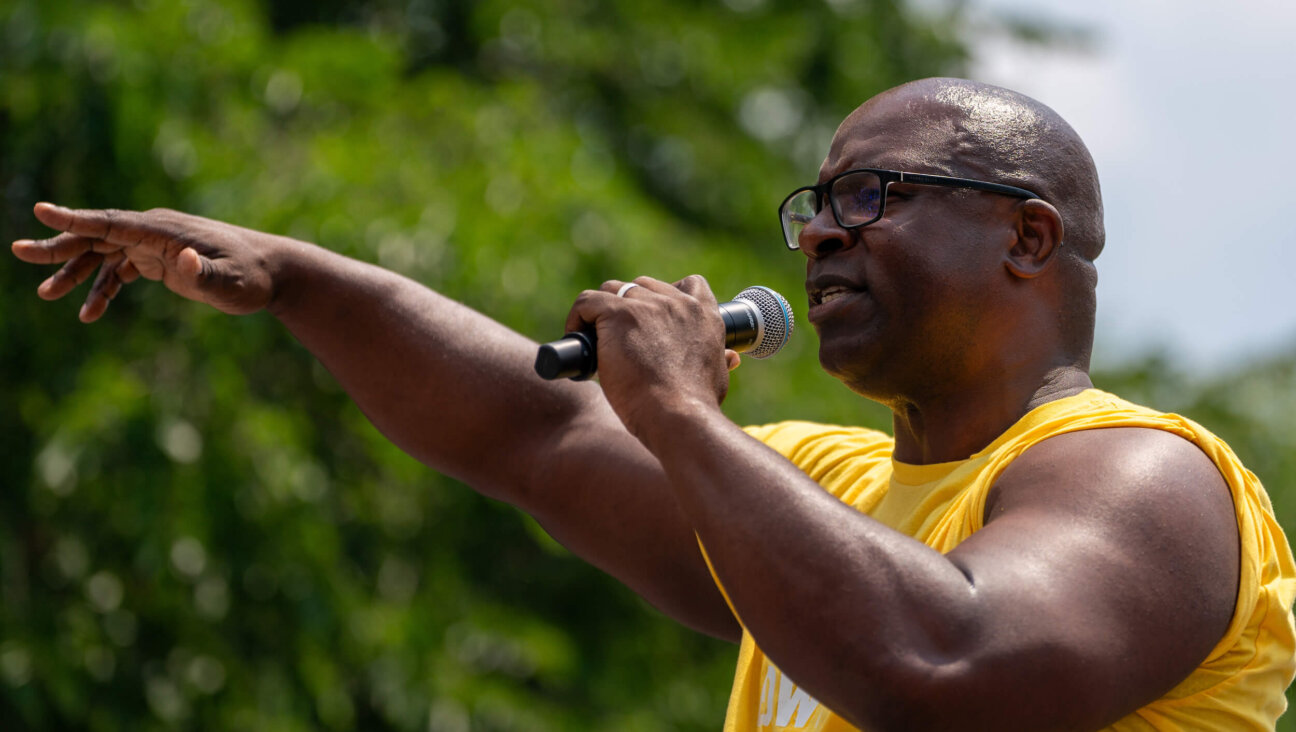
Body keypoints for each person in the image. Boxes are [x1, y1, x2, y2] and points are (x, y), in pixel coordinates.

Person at [11, 77, 1295, 731]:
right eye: (813, 208)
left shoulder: (1149, 478)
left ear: (1026, 237)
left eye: (873, 197)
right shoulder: (829, 487)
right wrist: (294, 276)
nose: (820, 242)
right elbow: (532, 429)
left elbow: (940, 665)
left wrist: (681, 413)